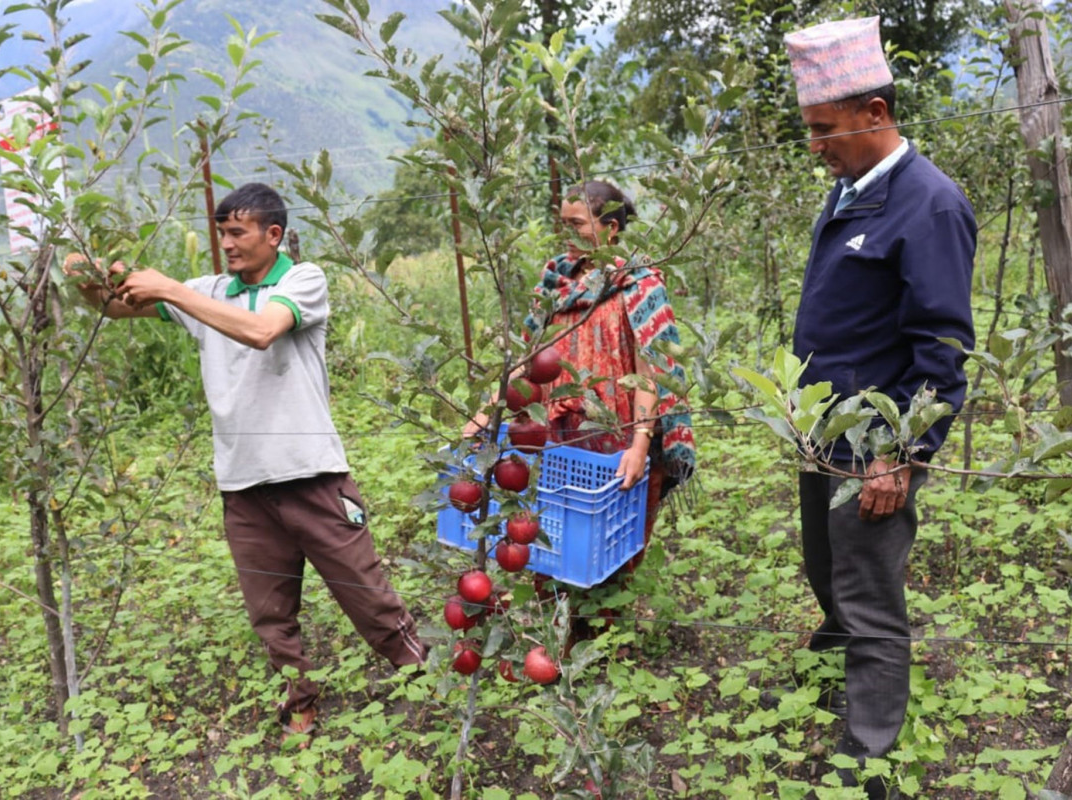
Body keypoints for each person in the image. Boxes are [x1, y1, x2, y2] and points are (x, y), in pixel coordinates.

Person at [65, 182, 426, 743]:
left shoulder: (302, 281)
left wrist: (169, 288)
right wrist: (89, 282)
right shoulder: (208, 290)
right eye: (222, 234)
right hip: (243, 482)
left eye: (238, 232)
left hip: (311, 474)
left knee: (366, 593)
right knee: (270, 613)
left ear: (273, 234)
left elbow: (261, 332)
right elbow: (117, 310)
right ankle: (300, 701)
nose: (228, 245)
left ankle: (424, 677)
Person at [783, 17, 976, 798]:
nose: (815, 144)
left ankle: (869, 755)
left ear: (874, 111)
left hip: (876, 444)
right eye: (808, 130)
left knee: (868, 587)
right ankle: (837, 673)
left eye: (826, 128)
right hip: (825, 435)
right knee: (825, 563)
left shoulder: (928, 205)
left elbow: (941, 351)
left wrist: (901, 455)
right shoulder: (852, 186)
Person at [466, 180, 695, 578]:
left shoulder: (639, 283)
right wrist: (487, 412)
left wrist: (640, 444)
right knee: (556, 539)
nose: (567, 235)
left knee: (613, 547)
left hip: (617, 435)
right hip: (559, 435)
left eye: (577, 224)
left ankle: (608, 633)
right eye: (562, 224)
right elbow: (530, 357)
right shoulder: (556, 278)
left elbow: (650, 371)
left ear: (610, 228)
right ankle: (565, 627)